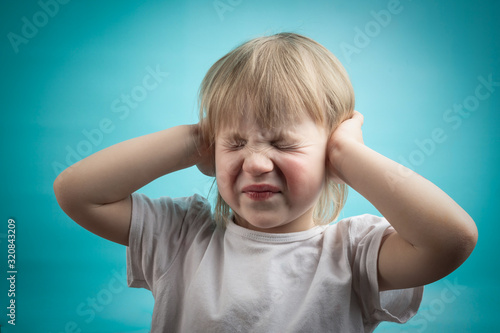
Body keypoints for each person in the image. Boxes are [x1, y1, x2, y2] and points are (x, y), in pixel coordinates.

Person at [53, 32, 478, 332]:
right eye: (234, 143)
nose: (255, 163)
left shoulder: (352, 253)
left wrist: (349, 155)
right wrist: (196, 139)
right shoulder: (181, 234)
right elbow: (77, 192)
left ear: (331, 155)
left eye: (283, 144)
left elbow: (451, 239)